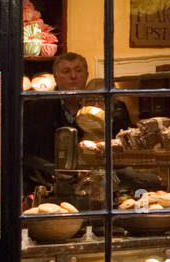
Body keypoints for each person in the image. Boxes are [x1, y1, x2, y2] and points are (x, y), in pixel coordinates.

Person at [22, 53, 130, 188]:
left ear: (86, 75)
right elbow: (25, 154)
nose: (73, 76)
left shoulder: (112, 107)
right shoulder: (35, 109)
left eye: (78, 71)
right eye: (66, 72)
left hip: (99, 186)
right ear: (55, 77)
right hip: (49, 185)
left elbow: (126, 147)